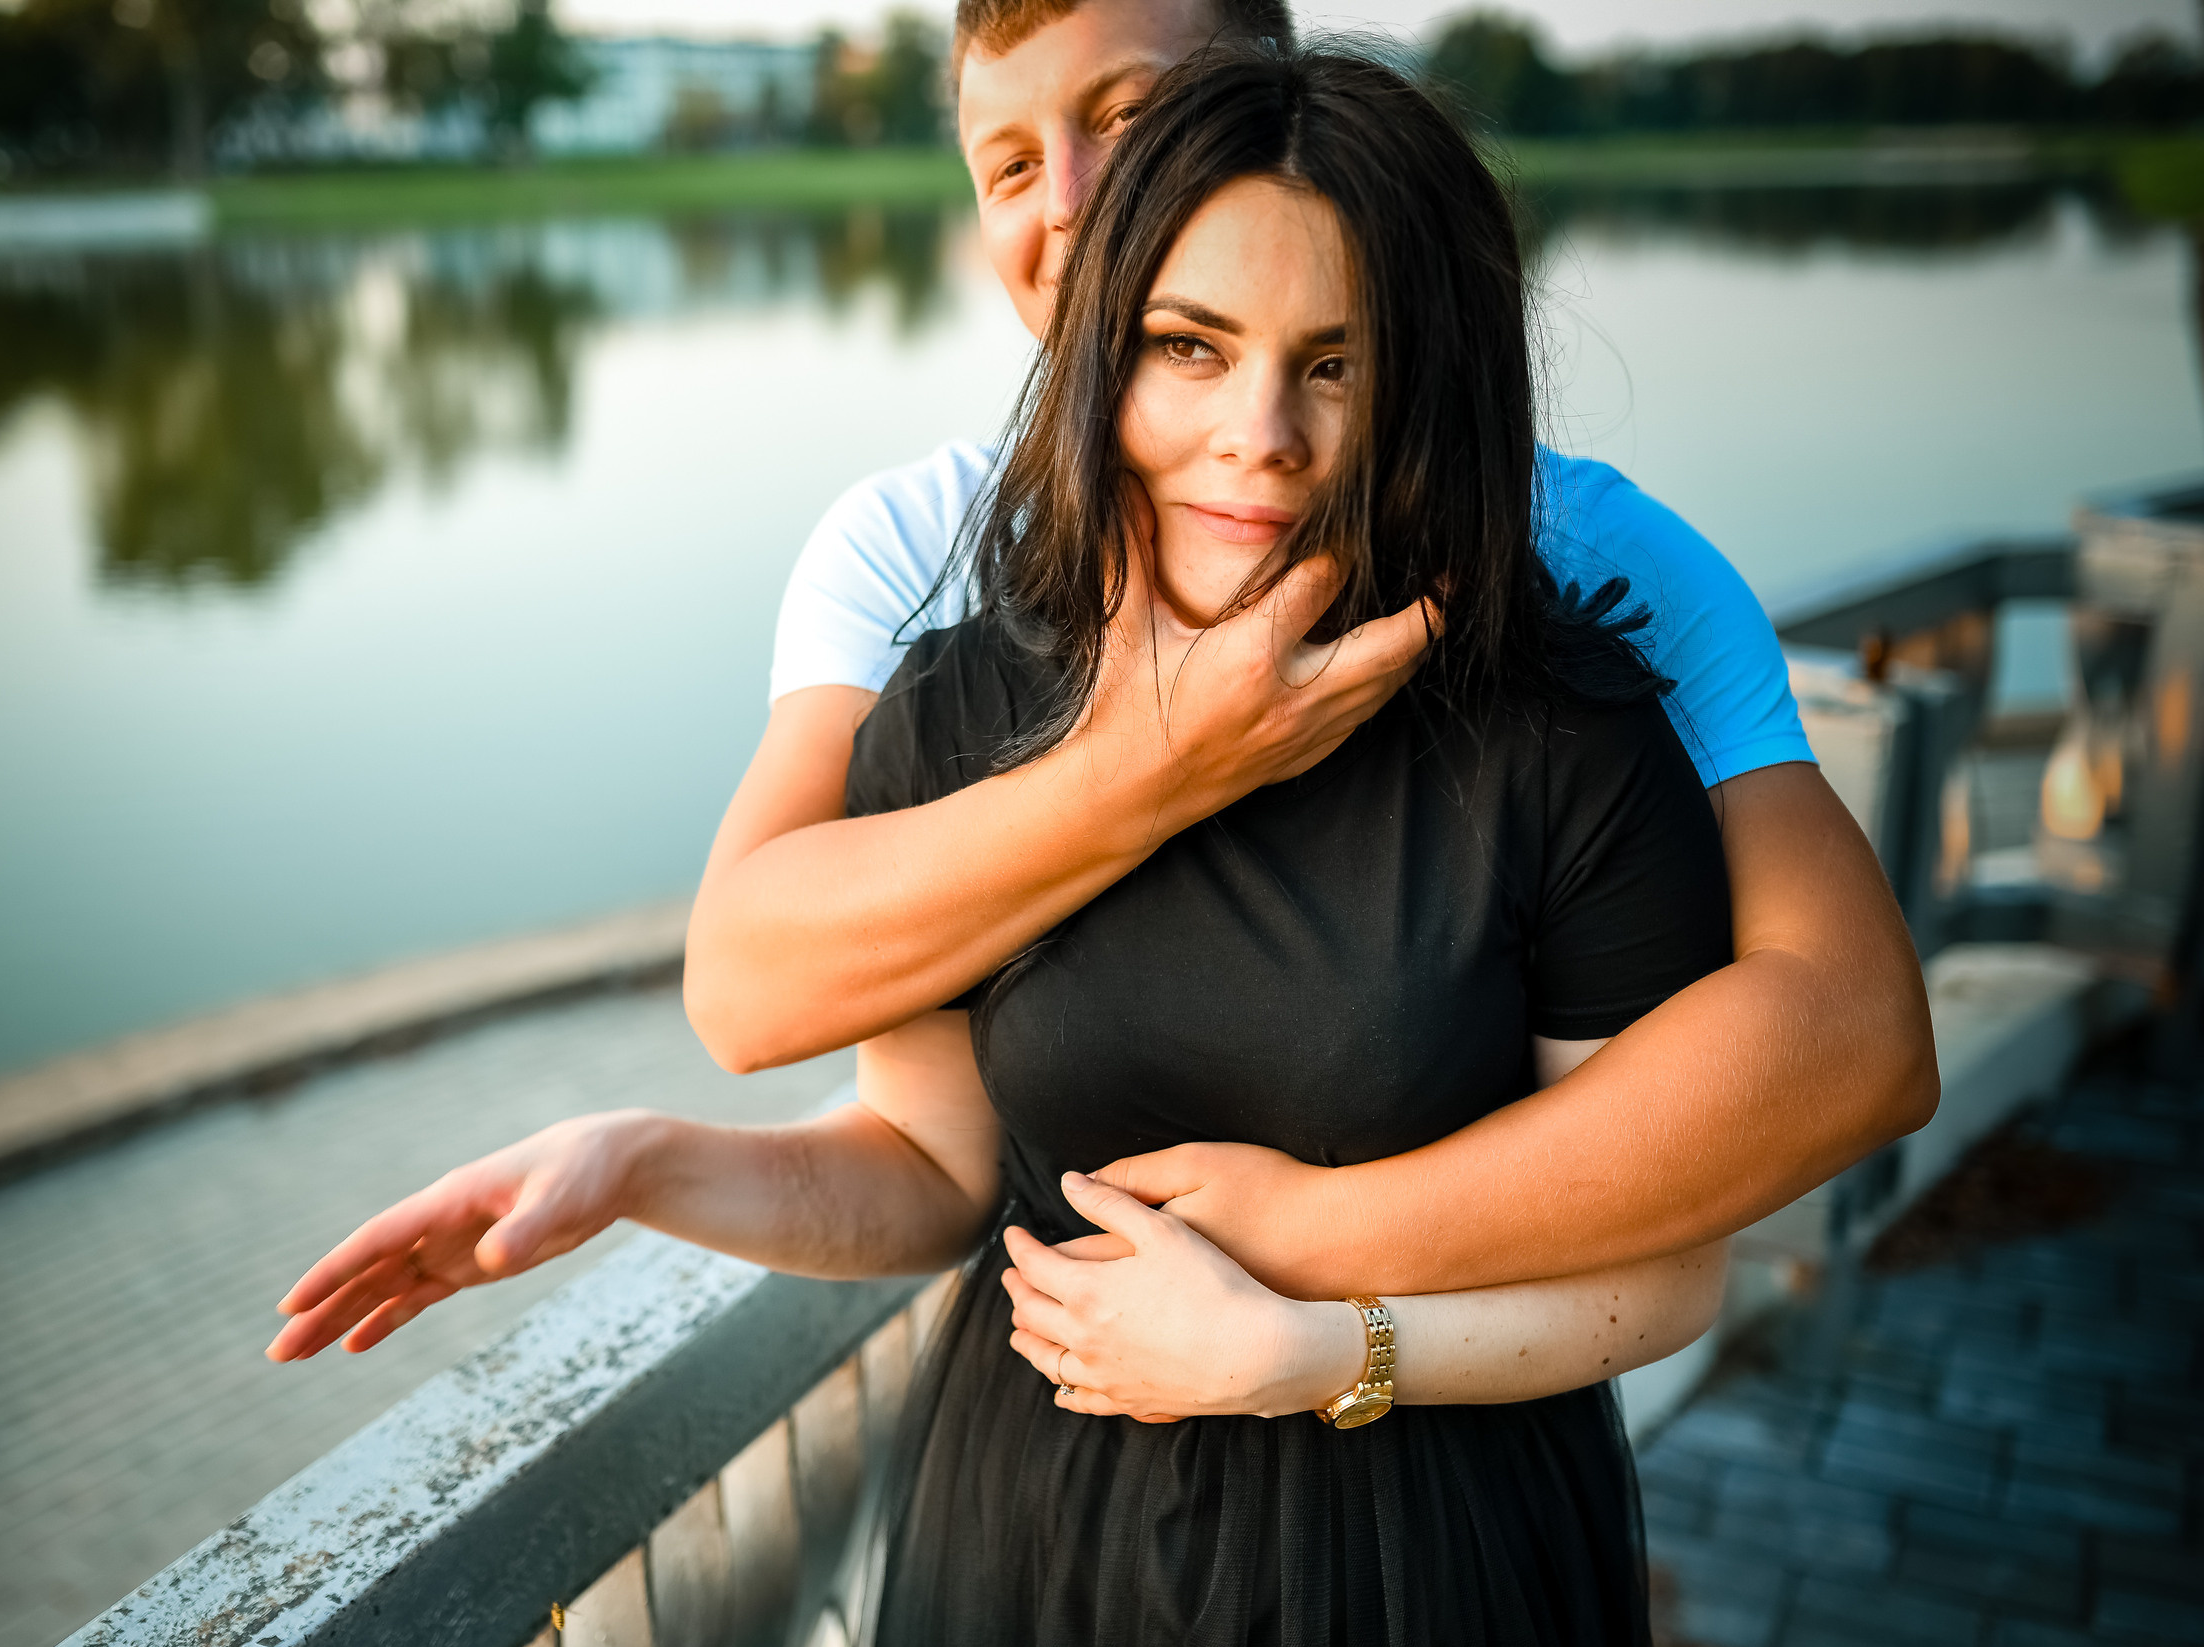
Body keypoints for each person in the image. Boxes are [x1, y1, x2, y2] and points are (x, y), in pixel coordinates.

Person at [277, 39, 1746, 1647]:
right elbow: (928, 1169)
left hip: (1421, 1570)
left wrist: (1321, 1352)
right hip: (1032, 1556)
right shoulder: (960, 711)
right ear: (1103, 352)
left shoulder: (1569, 745)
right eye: (1190, 351)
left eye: (1335, 366)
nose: (1256, 436)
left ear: (1428, 386)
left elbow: (1668, 1266)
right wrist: (639, 1164)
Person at [681, 0, 1935, 1308]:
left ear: (1276, 109)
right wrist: (1153, 763)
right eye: (1006, 163)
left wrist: (1317, 1245)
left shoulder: (1590, 560)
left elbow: (1850, 1034)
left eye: (1126, 118)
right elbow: (749, 993)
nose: (1064, 205)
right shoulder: (915, 549)